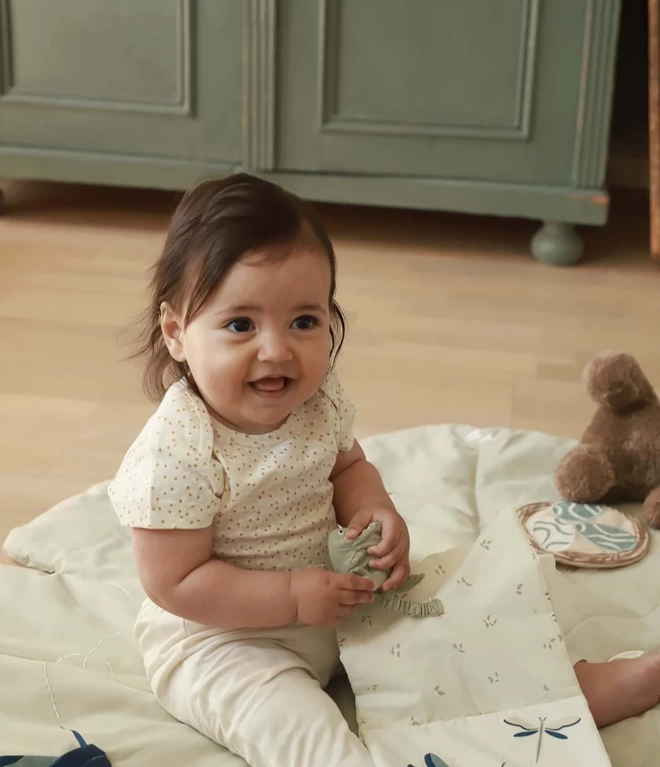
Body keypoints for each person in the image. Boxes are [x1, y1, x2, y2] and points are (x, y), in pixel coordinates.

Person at [109, 174, 660, 767]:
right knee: (296, 731)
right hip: (224, 639)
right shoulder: (176, 453)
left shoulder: (317, 402)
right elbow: (177, 582)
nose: (277, 350)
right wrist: (291, 596)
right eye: (241, 325)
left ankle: (570, 692)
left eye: (304, 321)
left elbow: (348, 467)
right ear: (176, 334)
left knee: (464, 621)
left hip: (337, 596)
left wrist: (375, 511)